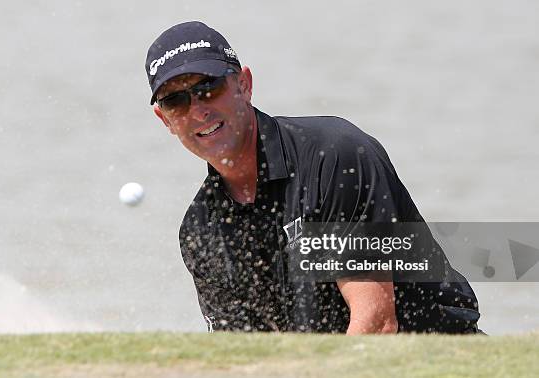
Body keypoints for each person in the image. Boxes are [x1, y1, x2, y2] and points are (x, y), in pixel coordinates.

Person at [145, 21, 481, 334]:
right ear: (165, 120)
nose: (198, 110)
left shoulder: (334, 156)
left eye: (209, 87)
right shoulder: (201, 231)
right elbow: (246, 354)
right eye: (176, 101)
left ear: (244, 84)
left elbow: (377, 323)